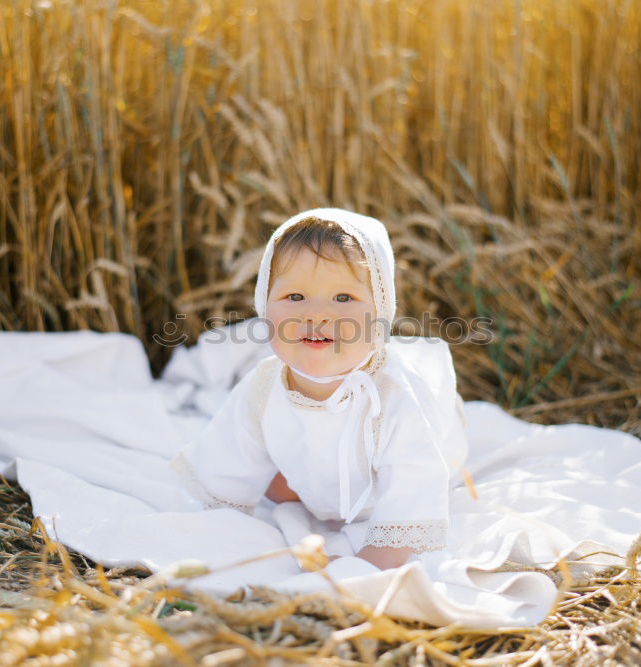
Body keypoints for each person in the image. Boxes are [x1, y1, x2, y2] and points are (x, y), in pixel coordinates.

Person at [170, 208, 468, 570]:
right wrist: (216, 519)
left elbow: (415, 483)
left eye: (343, 298)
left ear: (381, 312)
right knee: (275, 488)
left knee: (424, 475)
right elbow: (226, 465)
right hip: (317, 469)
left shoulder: (395, 392)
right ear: (264, 306)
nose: (317, 315)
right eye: (295, 297)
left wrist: (377, 558)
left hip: (389, 484)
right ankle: (312, 486)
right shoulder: (264, 385)